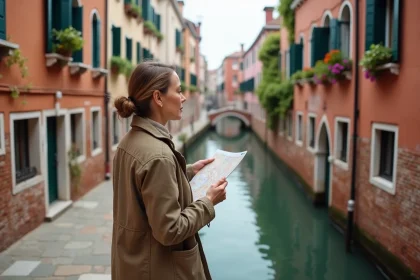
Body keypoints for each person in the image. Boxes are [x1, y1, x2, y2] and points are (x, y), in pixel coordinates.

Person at [111, 61, 228, 280]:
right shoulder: (158, 155)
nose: (183, 98)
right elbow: (170, 230)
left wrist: (189, 171)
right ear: (158, 97)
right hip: (159, 270)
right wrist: (208, 202)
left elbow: (145, 192)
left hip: (134, 264)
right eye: (179, 91)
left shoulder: (129, 142)